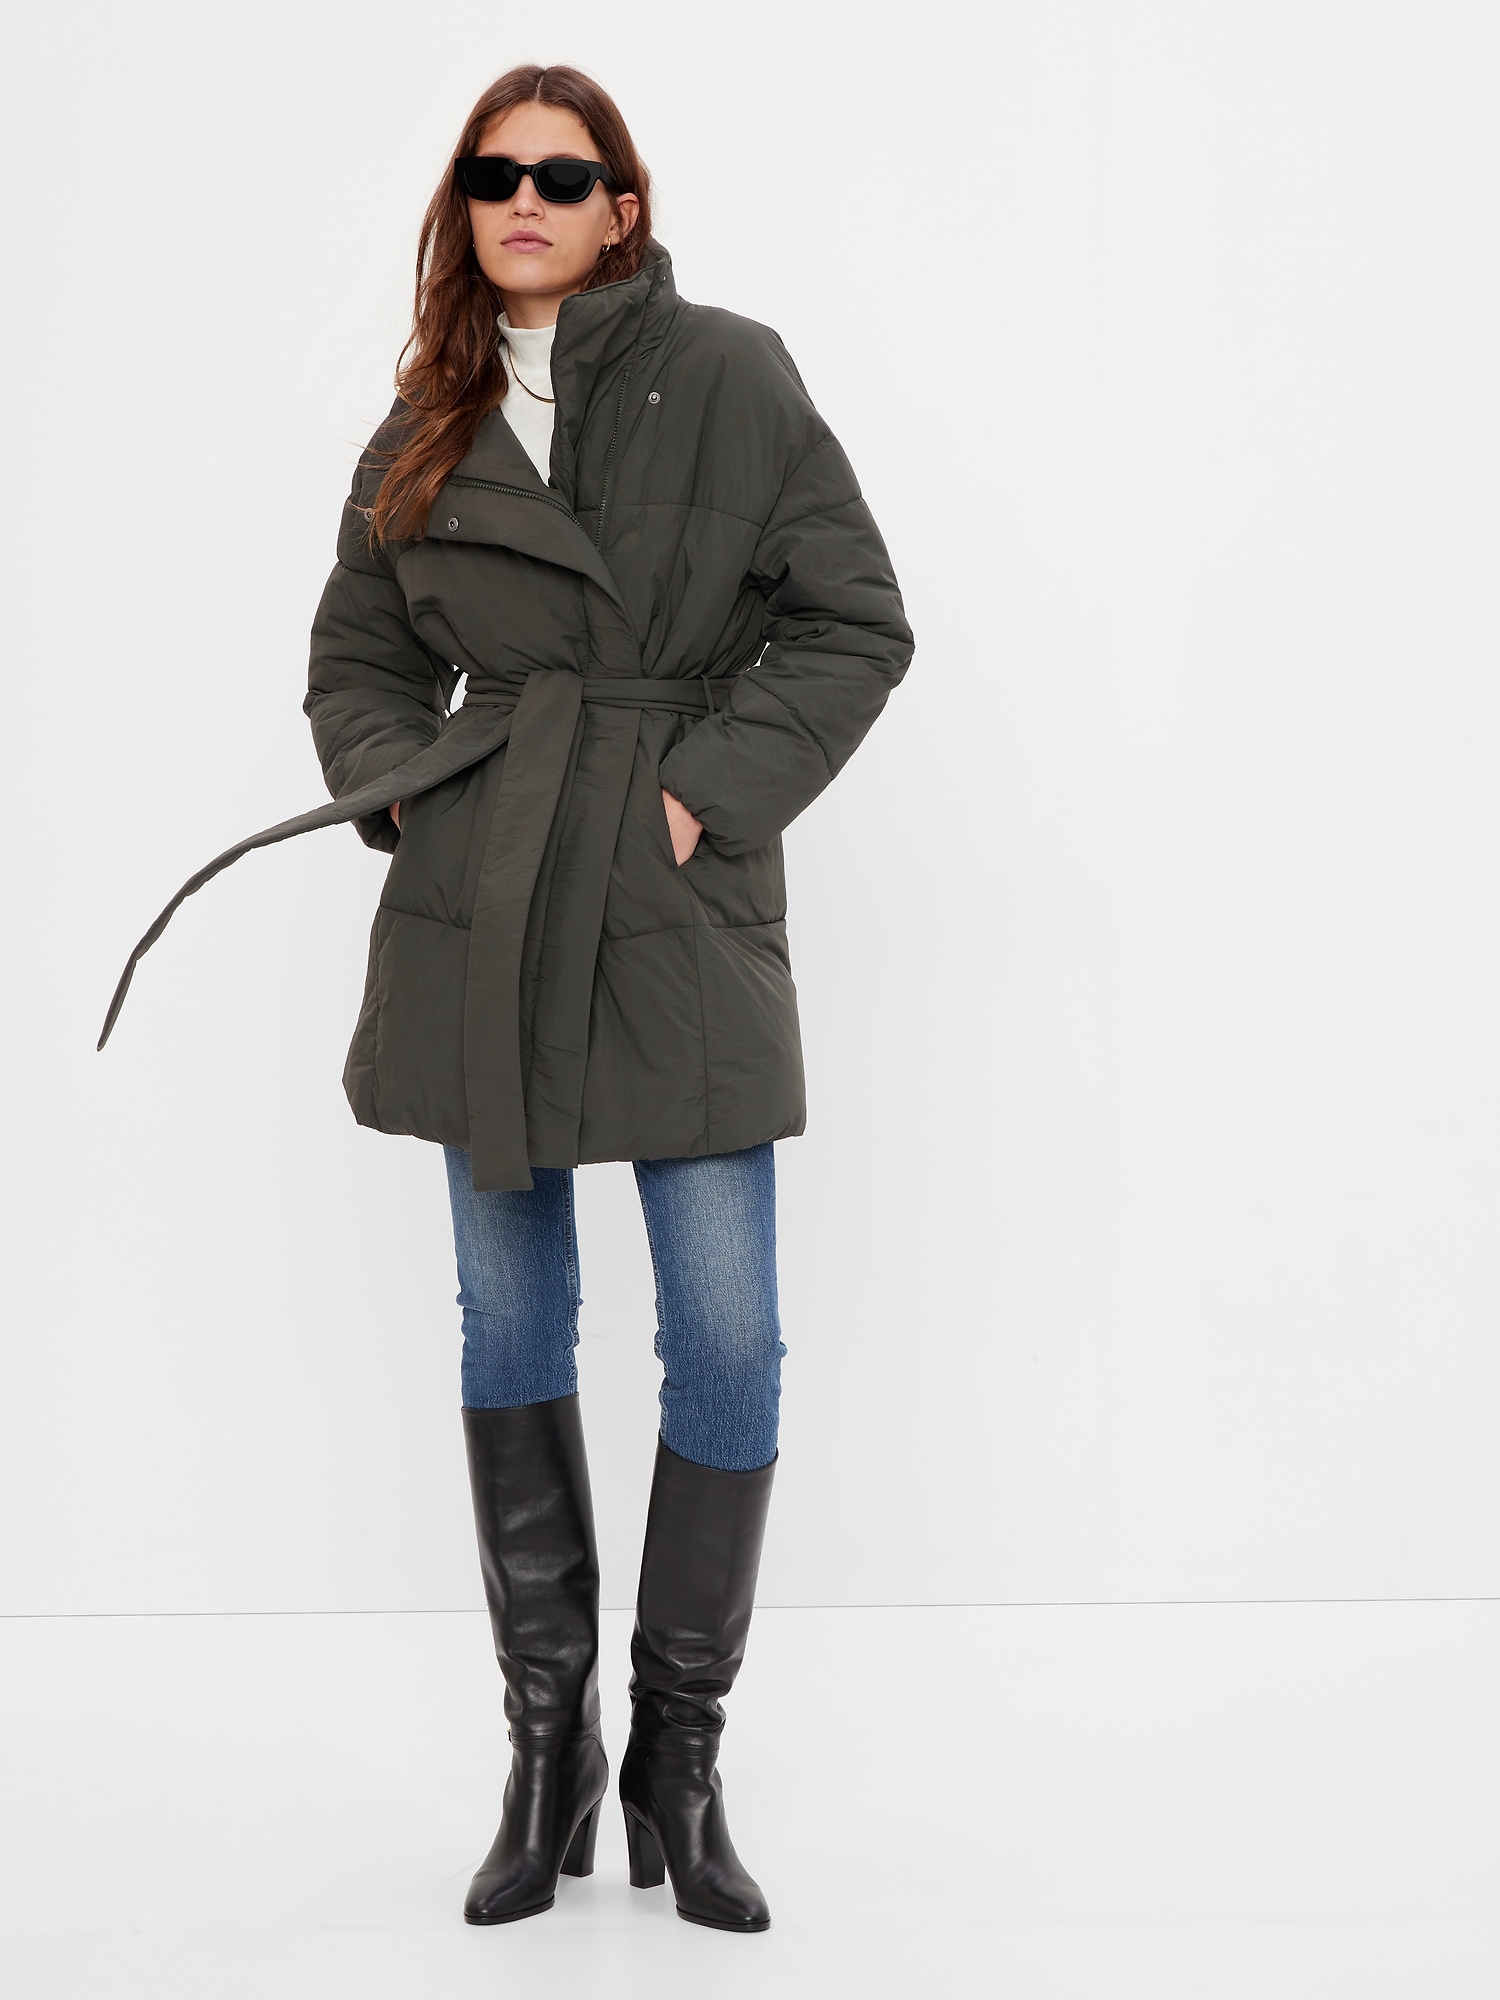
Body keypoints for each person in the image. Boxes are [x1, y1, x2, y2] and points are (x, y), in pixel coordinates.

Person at [100, 61, 912, 1933]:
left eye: (563, 171)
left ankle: (679, 1760)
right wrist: (408, 792)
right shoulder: (426, 420)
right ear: (463, 208)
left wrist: (704, 792)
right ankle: (547, 1753)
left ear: (624, 204)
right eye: (493, 174)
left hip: (674, 896)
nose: (525, 198)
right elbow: (356, 652)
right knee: (509, 1320)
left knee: (727, 1334)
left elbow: (856, 617)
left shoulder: (733, 372)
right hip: (489, 898)